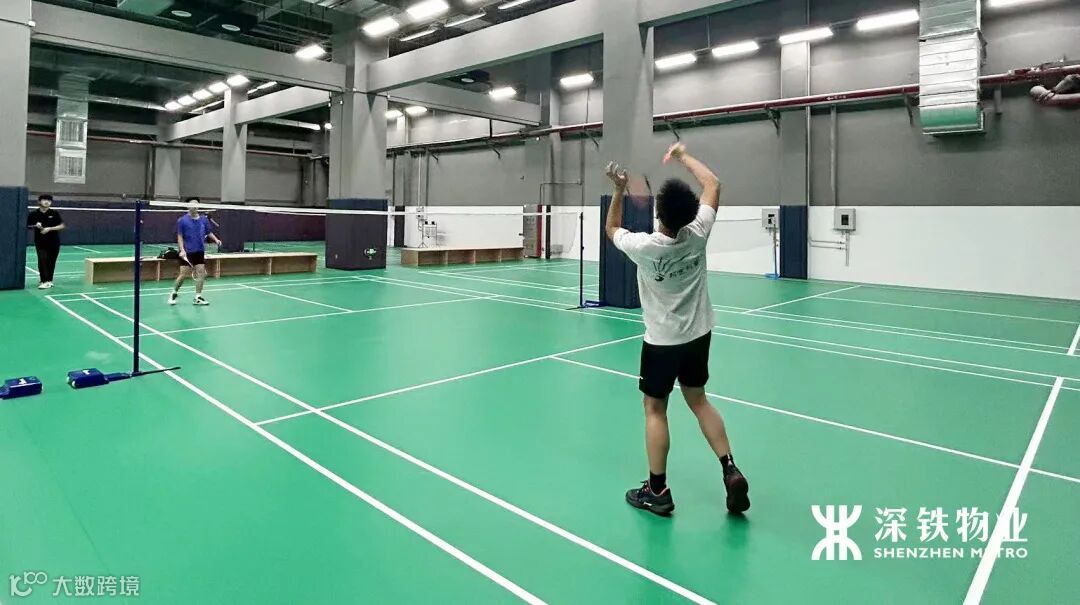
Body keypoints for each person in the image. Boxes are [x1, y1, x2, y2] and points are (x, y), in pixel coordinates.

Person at [604, 142, 749, 516]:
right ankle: (729, 468)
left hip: (662, 343)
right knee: (699, 401)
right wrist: (682, 156)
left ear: (659, 214)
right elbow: (713, 184)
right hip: (699, 335)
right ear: (689, 213)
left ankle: (657, 490)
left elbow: (612, 228)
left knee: (655, 409)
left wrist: (619, 189)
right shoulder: (699, 231)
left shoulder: (644, 247)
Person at [169, 198, 222, 306]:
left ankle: (198, 297)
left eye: (197, 204)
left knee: (201, 273)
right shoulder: (182, 220)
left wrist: (216, 240)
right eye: (192, 204)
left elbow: (208, 232)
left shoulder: (203, 219)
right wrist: (182, 250)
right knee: (183, 275)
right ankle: (174, 293)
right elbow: (180, 236)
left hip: (199, 251)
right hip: (187, 252)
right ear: (187, 206)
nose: (195, 206)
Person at [25, 194, 65, 290]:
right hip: (40, 242)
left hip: (54, 242)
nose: (47, 202)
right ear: (39, 202)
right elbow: (28, 226)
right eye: (44, 200)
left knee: (51, 261)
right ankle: (44, 281)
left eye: (49, 200)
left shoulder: (54, 213)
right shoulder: (33, 214)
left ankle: (49, 280)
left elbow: (61, 226)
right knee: (42, 259)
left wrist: (49, 229)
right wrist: (35, 225)